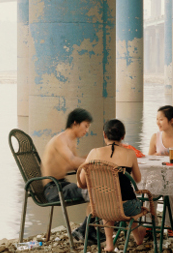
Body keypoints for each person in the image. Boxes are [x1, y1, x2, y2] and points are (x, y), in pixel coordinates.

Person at [77, 119, 154, 253]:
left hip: (100, 207)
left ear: (104, 135)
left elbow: (81, 183)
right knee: (130, 202)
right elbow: (138, 179)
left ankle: (109, 244)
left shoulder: (94, 153)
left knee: (108, 201)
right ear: (123, 136)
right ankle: (138, 236)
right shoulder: (130, 154)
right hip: (127, 207)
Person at [41, 108, 92, 204]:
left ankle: (91, 219)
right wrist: (95, 160)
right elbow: (73, 161)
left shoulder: (72, 140)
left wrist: (94, 154)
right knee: (95, 192)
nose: (87, 130)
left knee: (98, 188)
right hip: (53, 189)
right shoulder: (60, 139)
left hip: (62, 185)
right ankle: (92, 219)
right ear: (75, 123)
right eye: (86, 126)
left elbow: (77, 166)